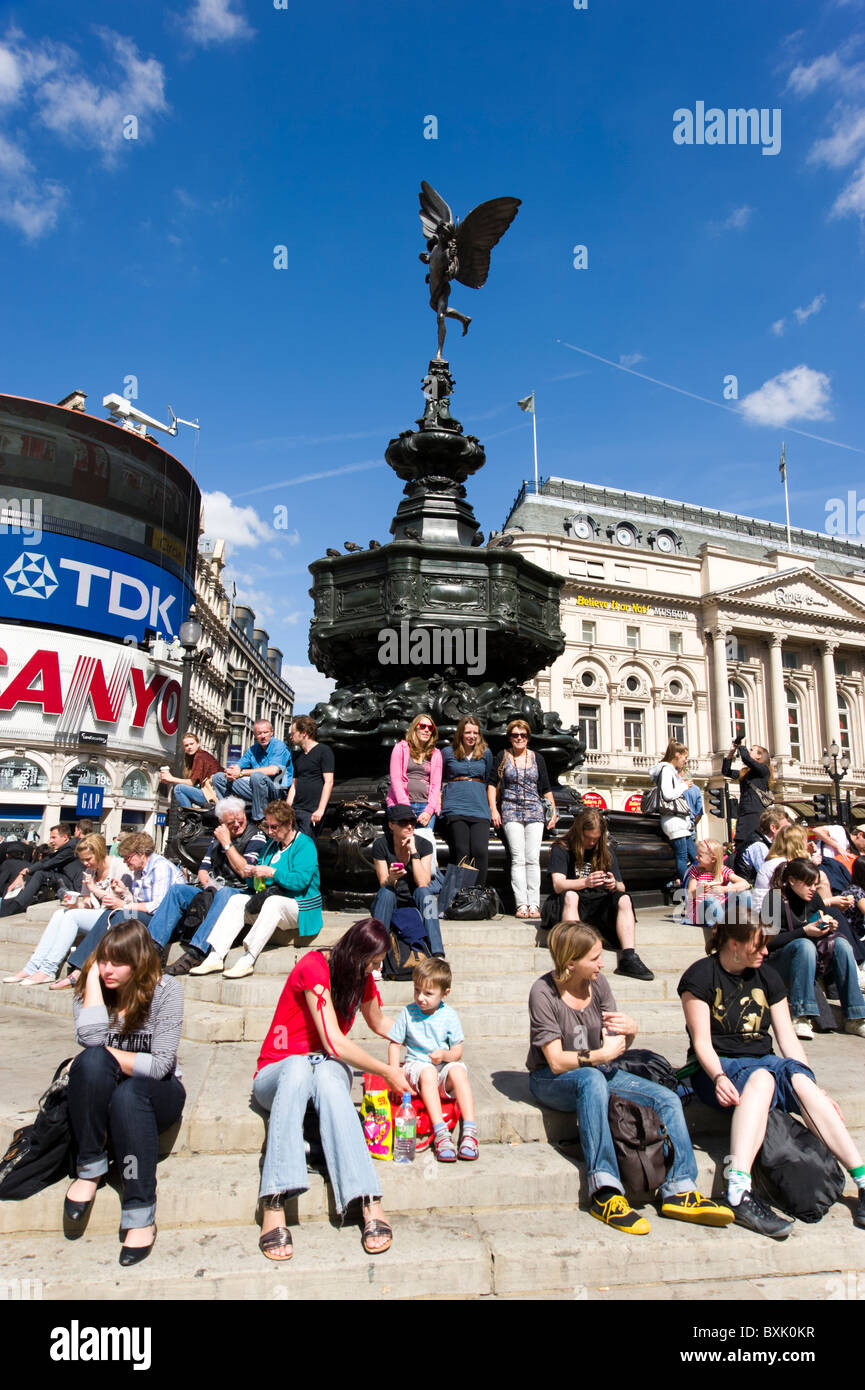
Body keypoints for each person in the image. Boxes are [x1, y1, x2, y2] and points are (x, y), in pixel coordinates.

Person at [527, 920, 732, 1234]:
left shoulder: (599, 985)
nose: (602, 963)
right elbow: (554, 1061)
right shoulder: (544, 992)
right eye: (595, 958)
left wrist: (630, 1032)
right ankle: (605, 1191)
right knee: (591, 1080)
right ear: (571, 962)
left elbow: (615, 1046)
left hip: (600, 1070)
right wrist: (601, 1056)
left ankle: (679, 1188)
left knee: (665, 1097)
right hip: (552, 1080)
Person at [678, 914, 865, 1237]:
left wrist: (814, 1088)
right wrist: (720, 1077)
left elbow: (787, 1040)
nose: (766, 952)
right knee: (763, 1078)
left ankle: (862, 1182)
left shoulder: (767, 976)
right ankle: (738, 1190)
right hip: (719, 1068)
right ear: (734, 945)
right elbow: (701, 1043)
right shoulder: (701, 976)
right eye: (759, 945)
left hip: (763, 1060)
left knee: (800, 1080)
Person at [253, 918, 409, 1260]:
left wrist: (420, 1040)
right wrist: (386, 1071)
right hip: (277, 1073)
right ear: (357, 954)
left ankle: (368, 1199)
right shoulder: (315, 967)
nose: (378, 968)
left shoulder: (362, 978)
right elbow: (334, 1041)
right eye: (374, 961)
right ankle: (275, 1199)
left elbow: (380, 1022)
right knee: (298, 1064)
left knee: (326, 1076)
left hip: (322, 1069)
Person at [65, 920, 185, 1265]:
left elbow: (160, 1066)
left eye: (118, 962)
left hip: (156, 1094)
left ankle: (140, 1210)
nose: (107, 970)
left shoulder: (167, 991)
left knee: (125, 1092)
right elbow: (90, 1042)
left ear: (140, 961)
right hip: (104, 1092)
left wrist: (105, 1055)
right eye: (102, 960)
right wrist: (88, 978)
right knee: (91, 1063)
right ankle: (89, 1168)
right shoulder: (94, 990)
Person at [189, 801, 322, 978]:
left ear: (289, 823)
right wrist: (253, 875)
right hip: (271, 901)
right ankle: (215, 955)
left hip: (301, 906)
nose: (270, 832)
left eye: (275, 827)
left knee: (274, 903)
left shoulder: (305, 845)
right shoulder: (270, 846)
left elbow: (300, 881)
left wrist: (271, 872)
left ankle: (248, 957)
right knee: (236, 900)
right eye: (268, 826)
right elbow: (258, 884)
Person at [148, 798, 267, 976]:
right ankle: (151, 949)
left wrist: (227, 844)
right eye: (230, 822)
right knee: (177, 891)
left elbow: (244, 871)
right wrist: (210, 886)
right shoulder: (217, 837)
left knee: (225, 893)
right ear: (221, 823)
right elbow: (203, 870)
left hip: (240, 891)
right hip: (215, 888)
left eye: (239, 818)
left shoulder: (255, 836)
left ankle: (197, 951)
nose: (236, 824)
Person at [55, 834, 186, 990]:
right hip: (146, 916)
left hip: (164, 922)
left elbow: (157, 906)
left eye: (127, 857)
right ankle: (80, 967)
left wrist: (124, 905)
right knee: (110, 913)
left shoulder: (160, 867)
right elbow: (137, 903)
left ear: (141, 854)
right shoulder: (139, 871)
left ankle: (86, 969)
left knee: (121, 914)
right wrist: (124, 893)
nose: (125, 861)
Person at [542, 807, 653, 981]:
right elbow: (558, 885)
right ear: (579, 832)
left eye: (596, 838)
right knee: (572, 895)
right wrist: (585, 882)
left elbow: (622, 886)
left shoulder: (605, 850)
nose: (592, 842)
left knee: (623, 899)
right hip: (569, 903)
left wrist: (613, 884)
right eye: (588, 838)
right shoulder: (562, 847)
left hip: (598, 904)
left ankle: (629, 957)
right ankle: (576, 955)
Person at [3, 834, 127, 986]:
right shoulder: (90, 872)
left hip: (115, 916)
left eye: (89, 859)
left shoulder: (120, 866)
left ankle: (48, 969)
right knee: (60, 913)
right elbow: (88, 903)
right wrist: (76, 905)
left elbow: (123, 900)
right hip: (97, 914)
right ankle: (32, 967)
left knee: (71, 917)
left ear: (100, 852)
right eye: (82, 860)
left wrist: (94, 889)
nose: (85, 863)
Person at [762, 858, 865, 1041]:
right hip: (778, 961)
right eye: (808, 884)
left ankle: (856, 1016)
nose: (813, 889)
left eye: (815, 885)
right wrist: (805, 931)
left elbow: (819, 923)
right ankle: (801, 1014)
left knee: (840, 943)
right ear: (792, 880)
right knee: (804, 944)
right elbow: (768, 942)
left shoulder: (813, 898)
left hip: (809, 958)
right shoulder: (773, 899)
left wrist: (826, 926)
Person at [387, 957, 477, 1161]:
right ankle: (441, 1133)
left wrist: (445, 1055)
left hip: (441, 1068)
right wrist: (395, 1072)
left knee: (459, 1070)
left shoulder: (449, 1016)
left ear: (445, 994)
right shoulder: (408, 1013)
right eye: (417, 990)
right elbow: (394, 1043)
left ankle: (470, 1131)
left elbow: (457, 1051)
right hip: (417, 1068)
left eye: (428, 993)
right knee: (427, 1072)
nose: (421, 998)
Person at [493, 718, 557, 920]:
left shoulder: (537, 758)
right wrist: (493, 810)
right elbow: (493, 784)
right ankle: (521, 904)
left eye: (523, 735)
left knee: (532, 859)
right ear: (510, 737)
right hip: (510, 809)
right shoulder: (502, 756)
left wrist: (553, 811)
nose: (519, 738)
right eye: (515, 735)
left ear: (528, 737)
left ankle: (534, 904)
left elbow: (545, 787)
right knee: (518, 859)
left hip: (534, 811)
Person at [371, 806, 445, 957]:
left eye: (412, 821)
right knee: (386, 892)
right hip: (391, 899)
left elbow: (423, 882)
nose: (410, 826)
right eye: (403, 822)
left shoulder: (424, 845)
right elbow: (383, 882)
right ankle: (375, 956)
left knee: (426, 894)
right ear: (392, 825)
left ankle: (437, 954)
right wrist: (392, 878)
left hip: (415, 900)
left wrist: (414, 852)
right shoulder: (381, 845)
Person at [440, 716, 496, 886]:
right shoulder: (448, 752)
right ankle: (460, 894)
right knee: (461, 851)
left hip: (479, 807)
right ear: (461, 734)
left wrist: (492, 808)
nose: (472, 736)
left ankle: (478, 895)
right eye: (468, 732)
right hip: (455, 807)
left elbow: (488, 780)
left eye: (475, 733)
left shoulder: (486, 753)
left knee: (480, 851)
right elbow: (440, 778)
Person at [211, 720, 292, 824]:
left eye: (265, 732)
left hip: (277, 791)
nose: (263, 736)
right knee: (218, 777)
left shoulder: (279, 746)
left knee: (257, 776)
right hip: (256, 789)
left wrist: (241, 773)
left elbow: (273, 770)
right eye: (259, 733)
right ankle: (230, 816)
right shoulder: (253, 750)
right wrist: (231, 771)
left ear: (272, 732)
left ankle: (260, 820)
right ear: (255, 735)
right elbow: (238, 766)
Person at [0, 823, 85, 916]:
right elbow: (47, 860)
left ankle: (15, 906)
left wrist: (26, 871)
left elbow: (49, 862)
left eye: (54, 837)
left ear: (65, 837)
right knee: (39, 873)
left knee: (40, 874)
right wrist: (24, 872)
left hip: (75, 887)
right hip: (67, 882)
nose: (51, 841)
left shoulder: (71, 847)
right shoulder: (66, 848)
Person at [648, 740, 698, 888]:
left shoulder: (671, 771)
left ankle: (696, 884)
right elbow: (668, 795)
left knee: (695, 857)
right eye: (684, 757)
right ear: (677, 755)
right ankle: (688, 889)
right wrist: (684, 786)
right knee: (682, 856)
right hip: (674, 821)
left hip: (680, 822)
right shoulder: (666, 769)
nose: (685, 760)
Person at [721, 739, 773, 876]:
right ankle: (742, 874)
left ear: (759, 756)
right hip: (743, 814)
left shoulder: (764, 771)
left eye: (752, 750)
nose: (748, 751)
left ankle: (754, 875)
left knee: (751, 844)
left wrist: (742, 746)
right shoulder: (745, 773)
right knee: (740, 844)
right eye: (749, 749)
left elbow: (746, 758)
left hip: (755, 814)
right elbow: (725, 771)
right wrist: (731, 753)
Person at [287, 715, 334, 839]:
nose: (291, 736)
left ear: (303, 733)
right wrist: (287, 809)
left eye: (293, 733)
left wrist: (320, 809)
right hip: (295, 810)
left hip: (312, 812)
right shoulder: (297, 755)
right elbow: (294, 785)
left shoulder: (324, 751)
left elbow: (328, 782)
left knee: (305, 846)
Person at [684, 839, 750, 927]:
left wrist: (724, 889)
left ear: (713, 859)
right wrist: (701, 890)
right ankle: (723, 930)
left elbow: (745, 884)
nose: (696, 857)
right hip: (701, 912)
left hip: (720, 910)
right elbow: (690, 894)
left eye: (700, 855)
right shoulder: (695, 871)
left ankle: (746, 927)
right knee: (710, 899)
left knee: (745, 895)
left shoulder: (723, 870)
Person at [752, 824, 812, 915]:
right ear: (798, 844)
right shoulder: (781, 865)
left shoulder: (773, 862)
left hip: (770, 909)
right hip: (770, 914)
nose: (807, 844)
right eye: (806, 841)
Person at [160, 732, 221, 810]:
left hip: (211, 796)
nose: (189, 747)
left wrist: (171, 778)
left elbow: (191, 783)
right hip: (211, 794)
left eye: (191, 744)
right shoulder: (200, 756)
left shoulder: (199, 757)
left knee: (179, 789)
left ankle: (189, 816)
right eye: (186, 745)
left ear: (198, 743)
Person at [739, 806, 793, 886]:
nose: (787, 832)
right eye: (785, 828)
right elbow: (770, 876)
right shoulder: (759, 846)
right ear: (773, 828)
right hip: (752, 893)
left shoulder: (766, 842)